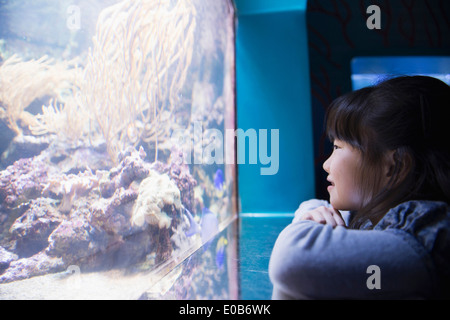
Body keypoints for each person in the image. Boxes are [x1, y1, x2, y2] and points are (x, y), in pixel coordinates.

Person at [269, 76, 450, 299]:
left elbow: (291, 261)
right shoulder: (375, 217)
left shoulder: (424, 240)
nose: (326, 164)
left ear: (395, 166)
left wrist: (308, 218)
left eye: (337, 147)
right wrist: (313, 211)